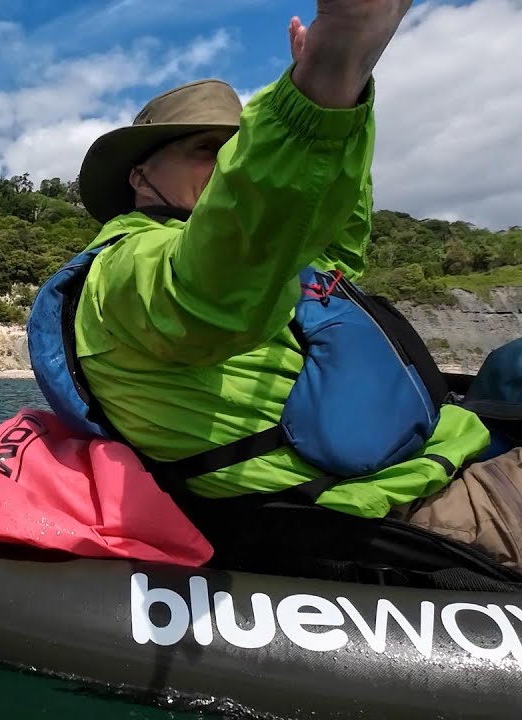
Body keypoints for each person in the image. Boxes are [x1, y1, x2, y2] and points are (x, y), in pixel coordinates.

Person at [61, 1, 522, 571]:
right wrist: (322, 85)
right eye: (207, 150)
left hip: (454, 450)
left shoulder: (273, 257)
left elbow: (332, 238)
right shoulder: (128, 266)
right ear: (140, 176)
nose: (229, 164)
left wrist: (347, 101)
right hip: (412, 503)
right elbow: (211, 287)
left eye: (237, 149)